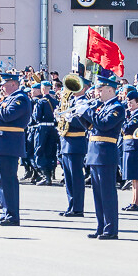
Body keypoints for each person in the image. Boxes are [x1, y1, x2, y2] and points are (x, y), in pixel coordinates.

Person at [0, 71, 32, 226]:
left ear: (13, 84)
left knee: (8, 181)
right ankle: (6, 213)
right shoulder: (7, 98)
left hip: (8, 143)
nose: (1, 88)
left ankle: (12, 215)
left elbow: (7, 115)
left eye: (4, 85)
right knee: (1, 181)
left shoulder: (21, 98)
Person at [79, 73, 126, 239]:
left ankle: (111, 229)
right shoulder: (102, 106)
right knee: (98, 195)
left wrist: (87, 111)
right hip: (95, 153)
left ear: (109, 89)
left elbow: (104, 125)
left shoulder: (117, 108)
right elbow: (89, 125)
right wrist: (80, 113)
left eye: (99, 89)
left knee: (107, 194)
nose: (96, 93)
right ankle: (101, 226)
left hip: (106, 153)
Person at [57, 83, 89, 218]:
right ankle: (71, 205)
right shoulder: (71, 102)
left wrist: (69, 119)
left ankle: (78, 208)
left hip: (76, 142)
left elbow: (85, 122)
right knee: (69, 178)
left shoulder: (84, 102)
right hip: (66, 143)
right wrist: (59, 117)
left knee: (76, 178)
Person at [119, 88, 138, 212]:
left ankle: (137, 202)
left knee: (136, 176)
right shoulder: (132, 114)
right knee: (133, 177)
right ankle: (133, 201)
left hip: (134, 146)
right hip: (128, 145)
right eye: (128, 103)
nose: (129, 105)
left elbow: (128, 128)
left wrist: (123, 120)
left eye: (131, 103)